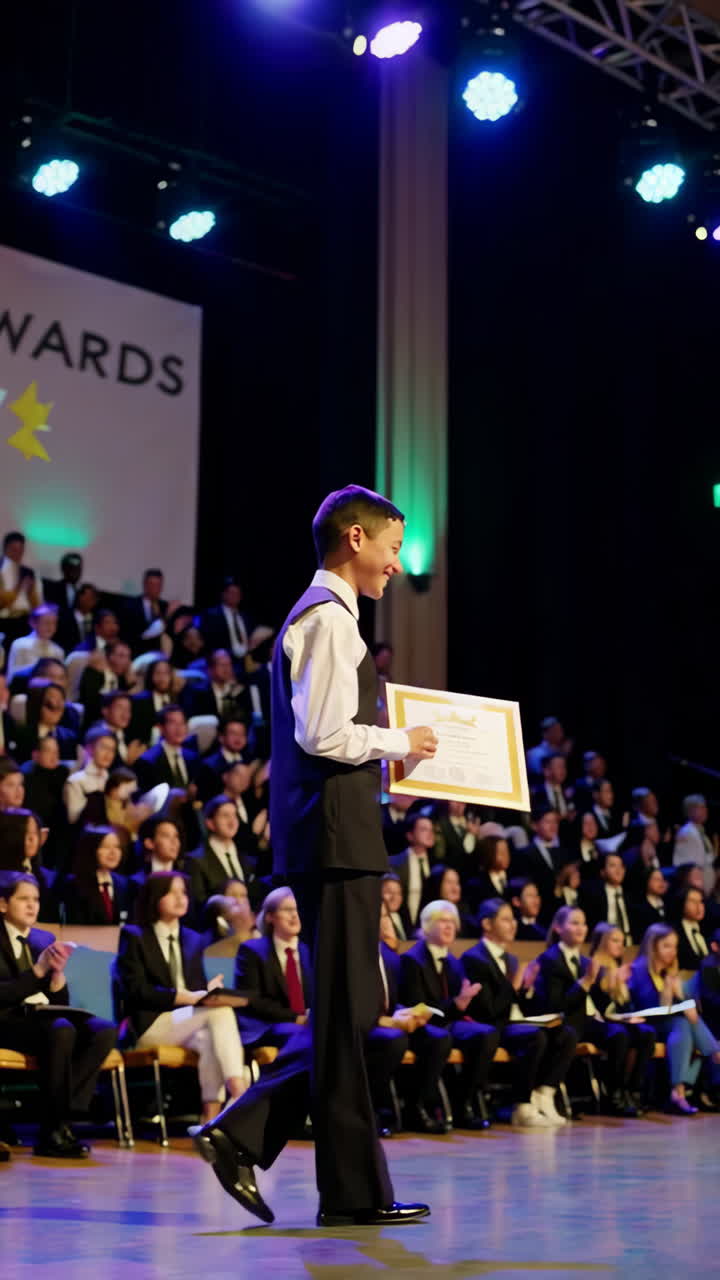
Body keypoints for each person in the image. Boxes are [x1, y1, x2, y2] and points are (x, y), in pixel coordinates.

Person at [193, 484, 436, 1227]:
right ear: (355, 538)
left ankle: (270, 1149)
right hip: (332, 841)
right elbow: (324, 736)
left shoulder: (329, 616)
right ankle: (316, 1173)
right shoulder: (329, 618)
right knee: (348, 1013)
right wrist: (401, 741)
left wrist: (389, 758)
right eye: (393, 547)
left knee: (348, 1012)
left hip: (335, 834)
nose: (396, 563)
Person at [116, 871, 249, 1123]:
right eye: (172, 892)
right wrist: (184, 997)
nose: (181, 898)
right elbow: (136, 991)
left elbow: (195, 990)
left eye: (183, 892)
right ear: (155, 897)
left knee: (209, 1037)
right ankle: (239, 1092)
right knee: (219, 1014)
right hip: (151, 1023)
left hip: (186, 1020)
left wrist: (207, 991)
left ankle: (209, 1120)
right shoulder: (134, 936)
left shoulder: (193, 939)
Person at [0, 870, 117, 1155]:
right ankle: (54, 1130)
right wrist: (39, 970)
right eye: (23, 899)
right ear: (3, 904)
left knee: (103, 1030)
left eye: (36, 899)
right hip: (7, 1019)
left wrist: (57, 978)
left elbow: (58, 999)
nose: (32, 906)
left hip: (43, 1016)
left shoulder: (44, 938)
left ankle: (60, 1114)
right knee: (62, 1028)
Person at [463, 898, 576, 1126]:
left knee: (566, 1033)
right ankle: (521, 1104)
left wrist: (527, 990)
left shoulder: (511, 959)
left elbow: (517, 1005)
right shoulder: (474, 958)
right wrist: (514, 986)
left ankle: (544, 1095)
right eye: (506, 919)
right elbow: (488, 1010)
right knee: (536, 1037)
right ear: (487, 924)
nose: (513, 924)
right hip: (492, 1026)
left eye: (513, 919)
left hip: (515, 1022)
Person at [534, 905, 644, 1116]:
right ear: (558, 928)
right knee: (608, 1034)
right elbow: (557, 1005)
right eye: (574, 923)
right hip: (567, 1022)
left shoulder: (585, 961)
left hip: (588, 1020)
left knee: (622, 1034)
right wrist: (585, 982)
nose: (581, 928)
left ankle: (616, 1095)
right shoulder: (550, 959)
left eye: (583, 923)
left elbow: (596, 1003)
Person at [400, 899, 499, 1130]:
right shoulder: (411, 960)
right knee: (439, 1039)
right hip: (420, 1025)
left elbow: (458, 1006)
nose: (449, 926)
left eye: (452, 922)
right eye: (442, 921)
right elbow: (417, 1006)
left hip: (448, 1022)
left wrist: (463, 1002)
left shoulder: (453, 961)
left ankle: (463, 1102)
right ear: (427, 926)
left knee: (486, 1035)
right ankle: (416, 1108)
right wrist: (456, 1004)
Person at [629, 923, 720, 1114]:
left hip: (674, 1027)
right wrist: (675, 998)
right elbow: (648, 1007)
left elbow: (685, 1009)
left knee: (685, 1027)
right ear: (653, 946)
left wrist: (680, 998)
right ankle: (715, 1052)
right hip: (646, 1026)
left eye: (675, 946)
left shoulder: (670, 972)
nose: (672, 951)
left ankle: (677, 1092)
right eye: (666, 946)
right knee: (686, 1025)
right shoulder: (638, 969)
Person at [233, 887, 311, 1055]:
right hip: (266, 1025)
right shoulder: (251, 951)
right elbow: (252, 999)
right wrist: (295, 1018)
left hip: (306, 1022)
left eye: (297, 909)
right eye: (287, 909)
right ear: (270, 916)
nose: (294, 915)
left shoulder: (308, 951)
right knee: (304, 1037)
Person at [587, 923, 656, 1112]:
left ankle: (633, 1091)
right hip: (597, 1023)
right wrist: (611, 982)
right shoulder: (592, 966)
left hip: (618, 1020)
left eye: (622, 942)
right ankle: (614, 1093)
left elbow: (625, 1006)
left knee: (647, 1032)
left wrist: (629, 1012)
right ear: (602, 942)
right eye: (615, 940)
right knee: (620, 1035)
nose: (620, 945)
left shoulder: (618, 969)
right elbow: (595, 1006)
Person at [63, 825, 132, 925]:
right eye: (106, 847)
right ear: (91, 849)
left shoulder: (124, 883)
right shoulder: (75, 885)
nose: (113, 852)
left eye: (117, 847)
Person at [14, 679, 78, 765]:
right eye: (50, 701)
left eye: (60, 700)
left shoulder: (70, 737)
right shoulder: (22, 735)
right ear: (38, 703)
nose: (56, 705)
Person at [389, 812, 436, 929]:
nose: (430, 834)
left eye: (432, 830)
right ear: (410, 835)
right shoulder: (394, 863)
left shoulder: (436, 864)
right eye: (424, 829)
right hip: (400, 926)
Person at [63, 727, 117, 825]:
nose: (108, 753)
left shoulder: (113, 781)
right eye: (104, 747)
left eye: (112, 750)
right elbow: (73, 818)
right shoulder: (76, 781)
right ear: (90, 748)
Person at [579, 852, 635, 945]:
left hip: (629, 945)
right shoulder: (592, 895)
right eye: (613, 866)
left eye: (621, 866)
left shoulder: (632, 896)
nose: (618, 870)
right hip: (602, 944)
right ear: (603, 872)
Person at [0, 532, 42, 650]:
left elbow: (36, 604)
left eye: (20, 550)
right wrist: (19, 588)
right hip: (3, 621)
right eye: (14, 549)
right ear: (5, 548)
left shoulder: (28, 572)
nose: (17, 554)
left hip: (24, 621)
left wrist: (30, 591)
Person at [78, 640, 135, 727]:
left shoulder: (124, 680)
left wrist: (131, 683)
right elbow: (89, 703)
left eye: (128, 657)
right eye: (121, 656)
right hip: (93, 724)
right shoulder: (93, 673)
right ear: (109, 656)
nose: (126, 661)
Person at [6, 605, 64, 681]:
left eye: (54, 623)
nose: (50, 627)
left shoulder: (58, 650)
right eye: (46, 622)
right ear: (33, 623)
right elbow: (12, 674)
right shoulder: (20, 645)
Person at [673, 795, 716, 896]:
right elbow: (683, 864)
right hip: (696, 889)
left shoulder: (701, 832)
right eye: (701, 807)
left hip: (708, 887)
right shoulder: (686, 832)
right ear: (690, 810)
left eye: (705, 807)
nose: (705, 810)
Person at [419, 864, 477, 937]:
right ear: (438, 885)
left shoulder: (466, 914)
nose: (455, 887)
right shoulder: (429, 912)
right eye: (449, 882)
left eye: (457, 882)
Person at [674, 886, 710, 970]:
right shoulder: (674, 931)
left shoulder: (708, 930)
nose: (699, 906)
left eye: (701, 901)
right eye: (693, 901)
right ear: (682, 904)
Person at [630, 866, 669, 938]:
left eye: (662, 879)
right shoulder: (638, 907)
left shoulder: (669, 904)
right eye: (656, 879)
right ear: (647, 881)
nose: (661, 883)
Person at [381, 872, 410, 942]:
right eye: (389, 892)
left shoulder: (399, 917)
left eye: (398, 893)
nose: (394, 897)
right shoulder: (378, 921)